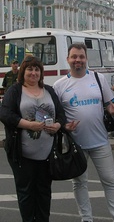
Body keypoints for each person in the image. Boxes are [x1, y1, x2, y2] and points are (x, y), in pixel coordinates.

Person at [53, 43, 114, 222]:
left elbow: (111, 105)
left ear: (86, 59)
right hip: (76, 145)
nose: (78, 60)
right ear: (68, 59)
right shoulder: (59, 85)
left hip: (101, 141)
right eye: (74, 56)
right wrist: (64, 126)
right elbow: (56, 117)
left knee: (110, 180)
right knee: (79, 183)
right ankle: (86, 219)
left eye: (81, 56)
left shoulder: (98, 78)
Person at [0, 55, 69, 222]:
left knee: (44, 191)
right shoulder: (15, 91)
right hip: (22, 153)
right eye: (30, 69)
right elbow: (5, 114)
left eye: (37, 69)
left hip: (47, 153)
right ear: (23, 71)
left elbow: (61, 114)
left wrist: (58, 125)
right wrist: (27, 125)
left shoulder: (49, 90)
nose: (33, 73)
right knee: (26, 192)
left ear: (41, 73)